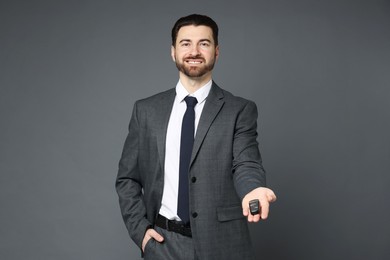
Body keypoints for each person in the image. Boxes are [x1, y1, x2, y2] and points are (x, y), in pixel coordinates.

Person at [116, 14, 276, 260]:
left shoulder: (239, 110)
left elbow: (246, 162)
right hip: (163, 245)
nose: (194, 51)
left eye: (204, 43)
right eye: (185, 43)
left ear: (216, 51)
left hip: (223, 245)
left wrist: (253, 189)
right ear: (173, 51)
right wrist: (141, 232)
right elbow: (127, 178)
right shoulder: (146, 110)